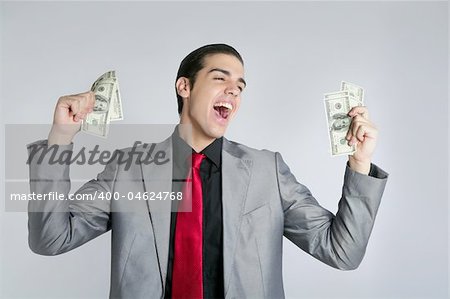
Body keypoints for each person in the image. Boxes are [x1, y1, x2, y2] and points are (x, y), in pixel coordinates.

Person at [27, 44, 388, 299]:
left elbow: (342, 253)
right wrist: (60, 137)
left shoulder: (268, 171)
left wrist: (360, 162)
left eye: (240, 86)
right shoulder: (127, 169)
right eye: (221, 78)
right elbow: (51, 239)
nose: (234, 90)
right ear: (185, 86)